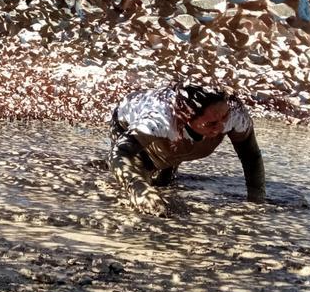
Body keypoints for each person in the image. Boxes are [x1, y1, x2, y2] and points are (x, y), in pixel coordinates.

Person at [108, 83, 265, 216]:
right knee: (147, 188)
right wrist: (138, 187)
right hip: (125, 121)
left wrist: (257, 200)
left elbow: (251, 156)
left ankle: (166, 172)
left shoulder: (234, 113)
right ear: (186, 119)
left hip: (179, 134)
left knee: (165, 181)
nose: (221, 126)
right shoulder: (159, 119)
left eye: (224, 117)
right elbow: (118, 153)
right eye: (211, 123)